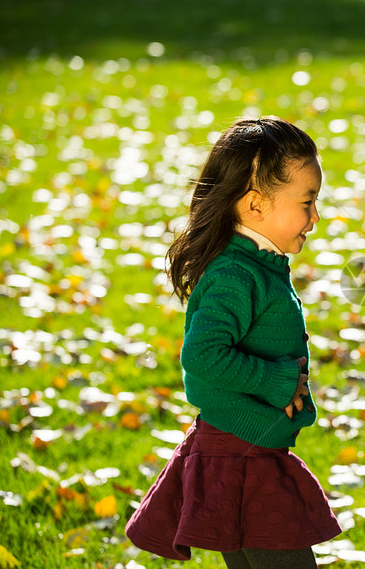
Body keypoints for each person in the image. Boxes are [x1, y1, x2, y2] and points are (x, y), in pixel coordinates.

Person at [125, 116, 341, 569]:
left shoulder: (256, 265)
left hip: (245, 452)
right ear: (256, 205)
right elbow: (203, 356)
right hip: (241, 458)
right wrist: (278, 381)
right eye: (307, 202)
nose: (315, 217)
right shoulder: (235, 274)